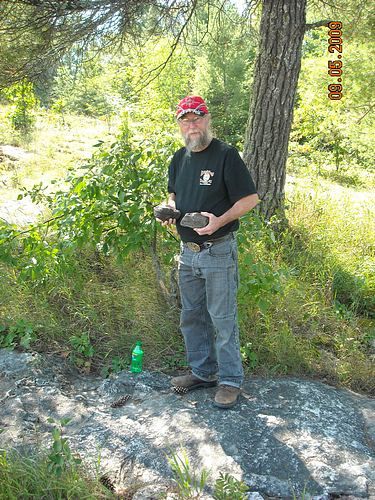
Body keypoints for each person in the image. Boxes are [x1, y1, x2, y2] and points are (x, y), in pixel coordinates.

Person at [160, 95, 259, 408]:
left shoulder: (226, 156)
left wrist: (220, 220)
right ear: (179, 124)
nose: (192, 125)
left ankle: (230, 381)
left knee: (222, 318)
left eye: (197, 118)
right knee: (192, 316)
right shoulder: (179, 158)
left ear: (207, 119)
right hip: (187, 252)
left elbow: (250, 199)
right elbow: (174, 194)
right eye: (185, 120)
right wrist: (169, 210)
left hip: (218, 251)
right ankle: (203, 373)